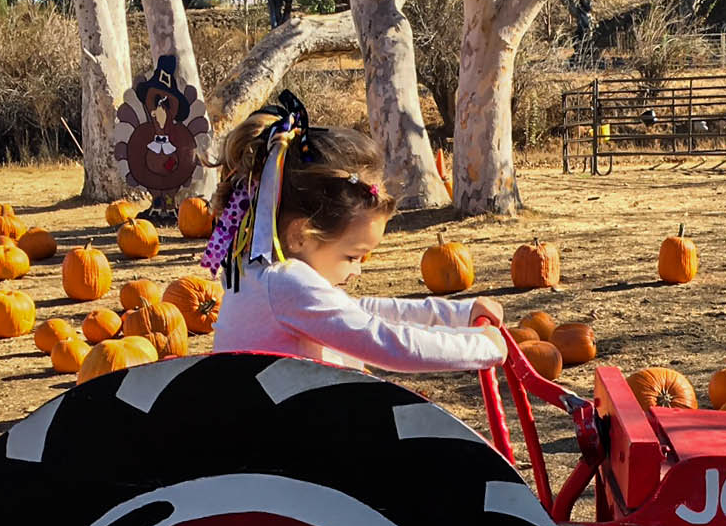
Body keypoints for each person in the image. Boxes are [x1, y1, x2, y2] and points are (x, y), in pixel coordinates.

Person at [203, 91, 506, 372]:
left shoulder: (257, 275)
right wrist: (481, 346)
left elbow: (362, 311)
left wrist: (459, 316)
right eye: (351, 256)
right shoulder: (284, 283)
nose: (358, 270)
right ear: (301, 235)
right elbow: (384, 342)